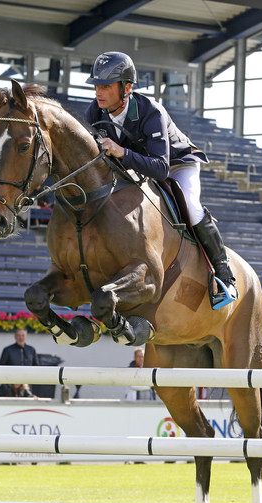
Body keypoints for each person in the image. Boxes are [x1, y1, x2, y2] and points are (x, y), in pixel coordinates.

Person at [84, 51, 236, 310]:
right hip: (136, 167)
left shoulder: (151, 112)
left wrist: (123, 152)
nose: (99, 92)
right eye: (97, 86)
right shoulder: (94, 112)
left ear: (127, 88)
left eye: (106, 86)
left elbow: (160, 168)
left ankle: (225, 275)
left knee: (191, 206)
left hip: (177, 165)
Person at [0, 328, 39, 395]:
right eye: (18, 335)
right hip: (11, 386)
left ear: (26, 336)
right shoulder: (8, 350)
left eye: (23, 335)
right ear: (15, 336)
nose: (21, 338)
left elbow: (36, 367)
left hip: (27, 385)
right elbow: (1, 367)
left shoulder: (31, 350)